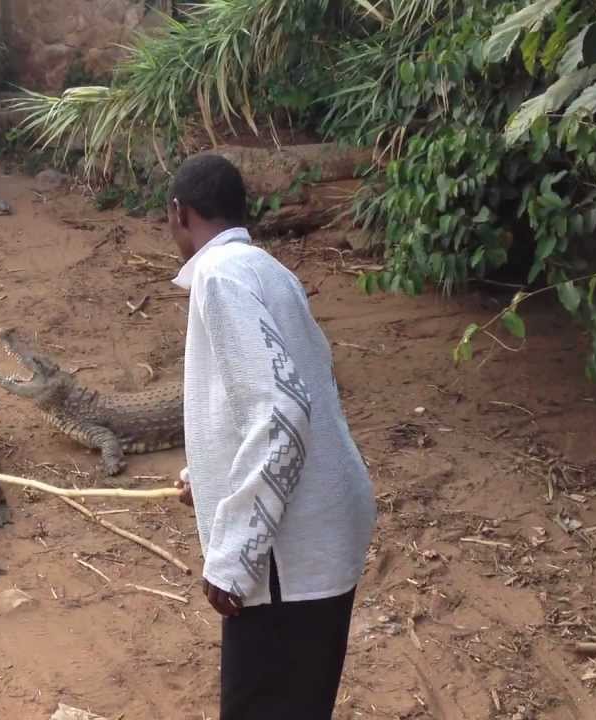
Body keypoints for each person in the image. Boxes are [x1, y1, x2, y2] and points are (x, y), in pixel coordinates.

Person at [167, 153, 376, 719]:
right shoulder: (267, 269)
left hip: (289, 555)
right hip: (324, 533)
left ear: (179, 213)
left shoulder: (219, 276)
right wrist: (208, 476)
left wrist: (235, 556)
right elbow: (292, 387)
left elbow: (282, 410)